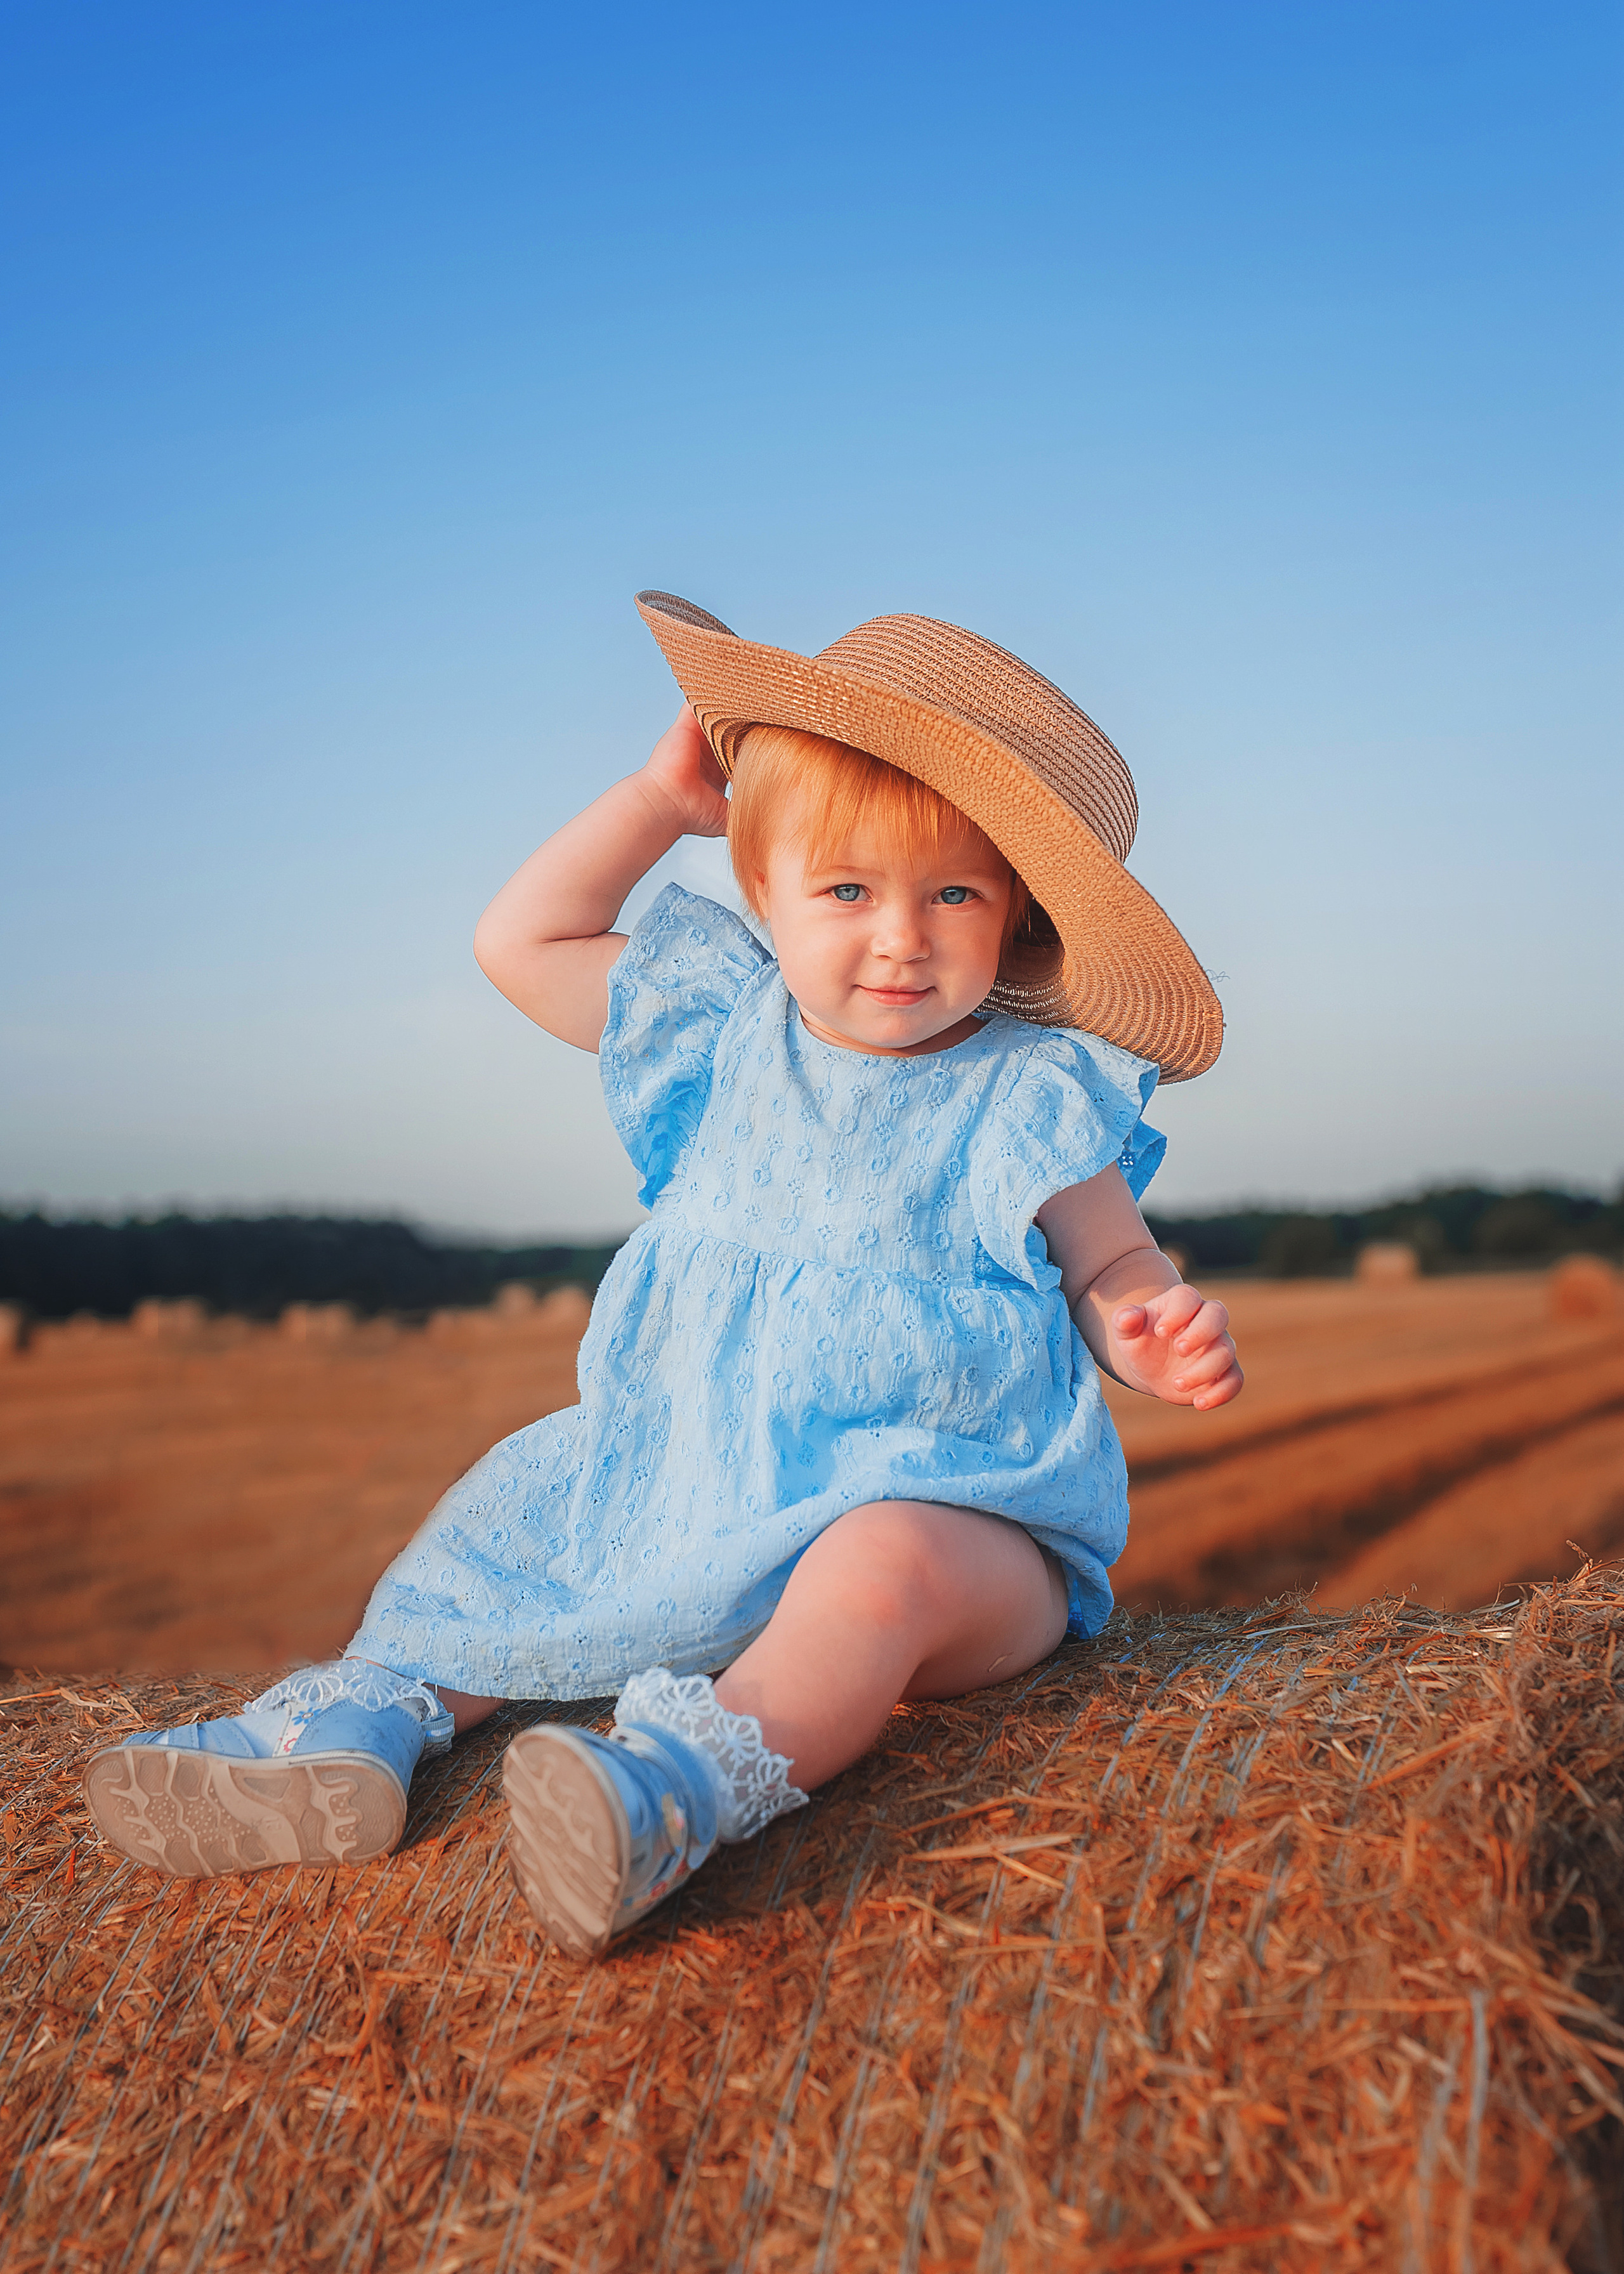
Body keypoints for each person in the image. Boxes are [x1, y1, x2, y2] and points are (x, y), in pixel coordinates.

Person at [84, 592, 1241, 1957]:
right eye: (847, 889)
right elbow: (520, 944)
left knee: (876, 1574)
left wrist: (1141, 1325)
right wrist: (650, 804)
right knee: (510, 1529)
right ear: (762, 893)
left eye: (953, 894)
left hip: (958, 1503)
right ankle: (358, 1726)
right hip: (687, 1480)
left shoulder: (1028, 1090)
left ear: (1017, 919)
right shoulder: (722, 1026)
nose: (900, 937)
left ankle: (675, 1790)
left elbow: (1109, 1252)